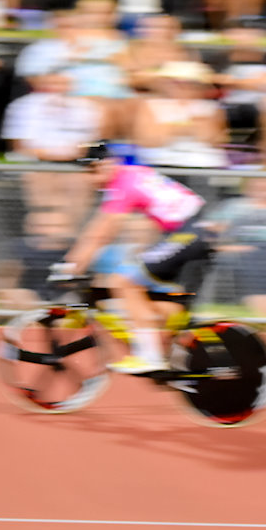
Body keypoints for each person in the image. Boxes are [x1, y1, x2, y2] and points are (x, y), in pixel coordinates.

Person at [54, 141, 213, 374]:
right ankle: (172, 353)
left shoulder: (123, 183)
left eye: (94, 169)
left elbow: (101, 232)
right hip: (195, 231)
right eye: (87, 172)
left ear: (111, 164)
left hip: (189, 233)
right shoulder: (132, 175)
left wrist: (71, 266)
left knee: (122, 281)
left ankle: (149, 356)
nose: (91, 178)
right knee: (159, 303)